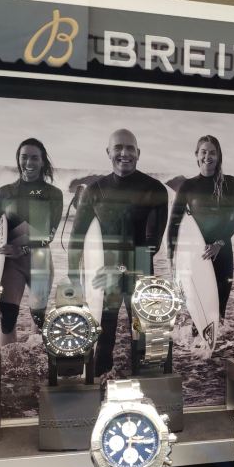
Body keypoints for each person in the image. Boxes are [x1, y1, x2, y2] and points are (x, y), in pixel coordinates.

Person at [68, 128, 168, 375]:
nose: (125, 153)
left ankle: (144, 382)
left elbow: (152, 243)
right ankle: (101, 383)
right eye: (118, 147)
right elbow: (77, 239)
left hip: (139, 271)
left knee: (144, 336)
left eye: (130, 148)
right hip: (104, 275)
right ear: (108, 152)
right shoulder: (94, 191)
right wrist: (74, 280)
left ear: (138, 153)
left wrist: (124, 268)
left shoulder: (154, 189)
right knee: (104, 338)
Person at [0, 137, 63, 346]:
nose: (29, 162)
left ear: (42, 161)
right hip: (11, 264)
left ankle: (36, 355)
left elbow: (49, 235)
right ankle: (10, 361)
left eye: (34, 158)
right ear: (18, 159)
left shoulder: (53, 194)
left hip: (40, 261)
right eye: (24, 157)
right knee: (8, 318)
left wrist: (23, 248)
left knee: (38, 318)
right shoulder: (5, 192)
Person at [168, 134, 234, 322]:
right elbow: (174, 222)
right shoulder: (188, 186)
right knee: (199, 313)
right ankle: (194, 339)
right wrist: (171, 258)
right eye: (204, 152)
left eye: (212, 153)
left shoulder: (230, 183)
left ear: (218, 156)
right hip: (198, 256)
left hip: (223, 254)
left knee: (219, 312)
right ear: (197, 155)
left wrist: (218, 244)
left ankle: (220, 340)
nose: (208, 156)